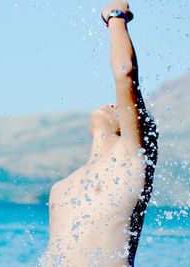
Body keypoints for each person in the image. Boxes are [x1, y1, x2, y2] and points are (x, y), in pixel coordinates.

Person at [41, 1, 159, 266]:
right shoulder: (60, 188)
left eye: (123, 106)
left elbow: (125, 74)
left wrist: (116, 17)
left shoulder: (131, 156)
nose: (115, 103)